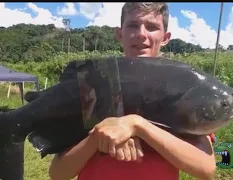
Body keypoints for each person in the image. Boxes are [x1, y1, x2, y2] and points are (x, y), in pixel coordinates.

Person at [49, 2, 216, 180]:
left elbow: (205, 168)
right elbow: (58, 173)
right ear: (119, 34)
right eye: (133, 25)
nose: (141, 34)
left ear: (165, 37)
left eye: (152, 27)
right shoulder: (93, 84)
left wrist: (137, 125)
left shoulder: (181, 87)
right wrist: (99, 137)